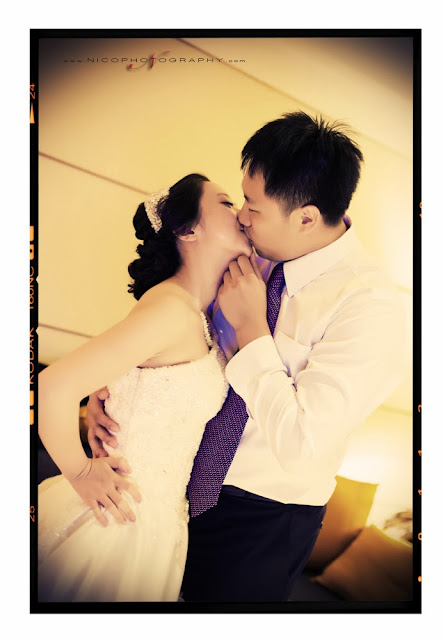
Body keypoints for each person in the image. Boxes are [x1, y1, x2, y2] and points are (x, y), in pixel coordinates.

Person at [87, 111, 406, 602]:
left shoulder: (371, 307)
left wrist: (254, 330)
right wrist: (109, 384)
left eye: (253, 207)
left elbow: (302, 442)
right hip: (175, 489)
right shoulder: (249, 252)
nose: (241, 217)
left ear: (305, 217)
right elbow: (173, 329)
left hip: (263, 521)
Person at [37, 173, 252, 602]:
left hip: (158, 524)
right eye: (227, 203)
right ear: (187, 231)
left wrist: (105, 388)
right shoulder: (171, 309)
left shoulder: (200, 316)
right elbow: (51, 386)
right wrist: (81, 472)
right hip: (116, 517)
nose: (242, 214)